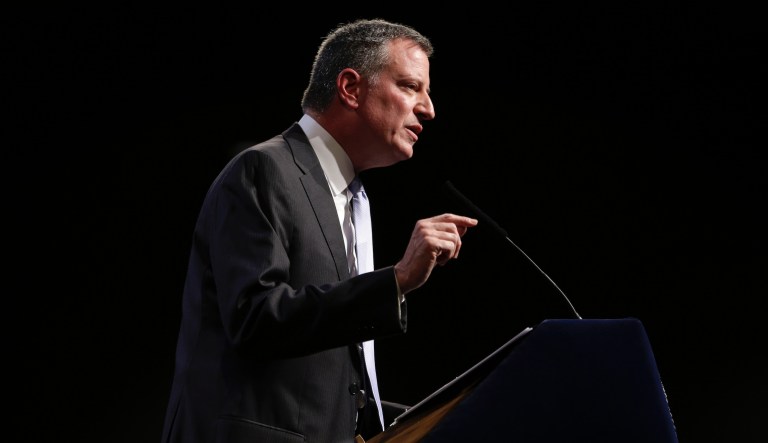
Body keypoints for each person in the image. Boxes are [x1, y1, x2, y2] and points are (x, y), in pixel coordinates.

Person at [161, 18, 478, 443]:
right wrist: (397, 280)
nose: (428, 108)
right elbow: (256, 318)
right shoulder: (264, 169)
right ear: (350, 88)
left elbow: (323, 377)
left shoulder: (355, 198)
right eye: (409, 86)